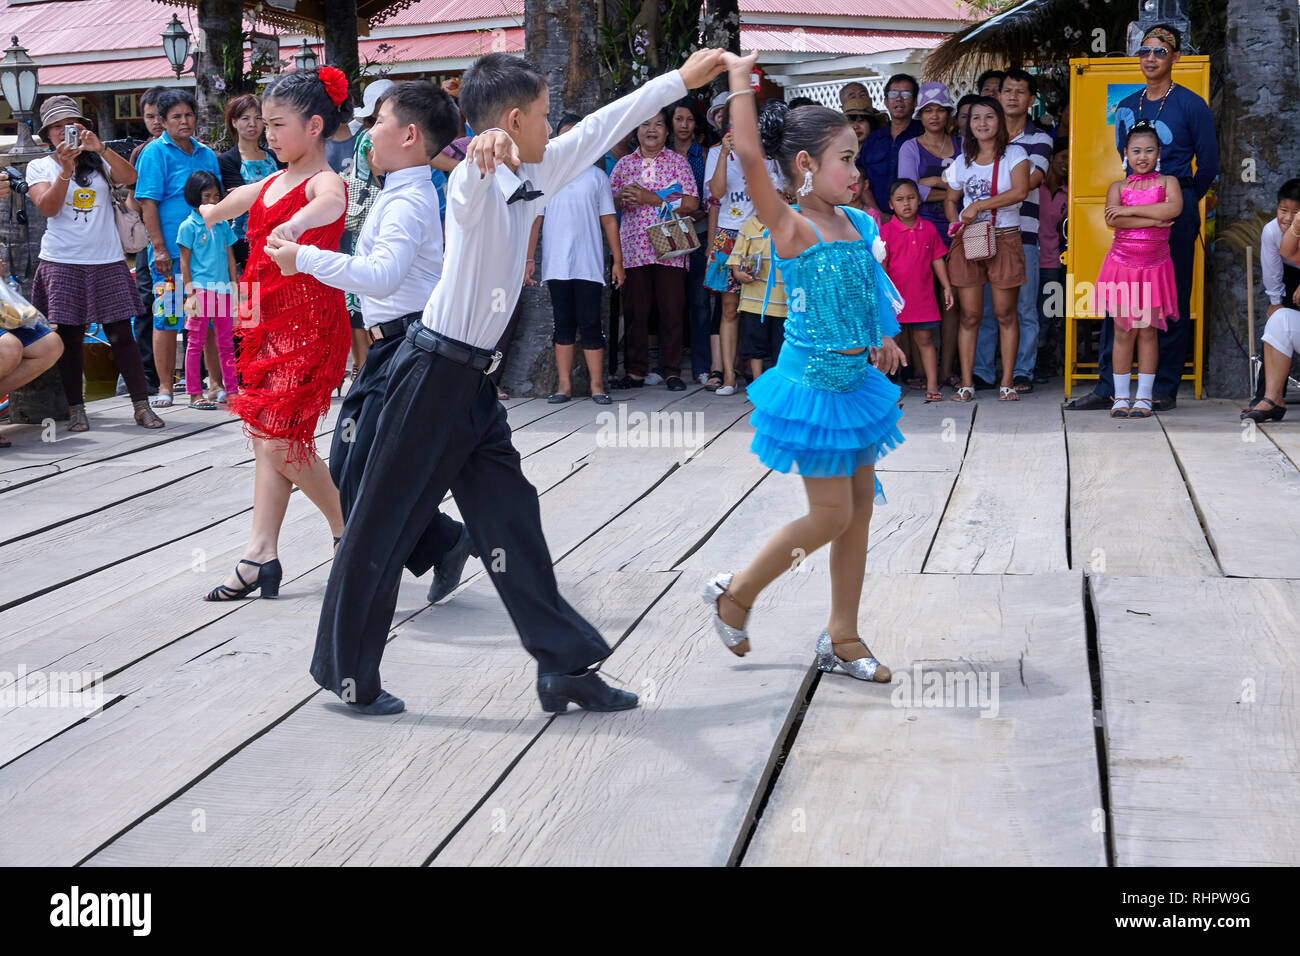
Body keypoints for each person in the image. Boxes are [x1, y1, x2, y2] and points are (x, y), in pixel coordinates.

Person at [311, 48, 731, 717]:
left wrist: (681, 80)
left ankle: (563, 667)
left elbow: (603, 123)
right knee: (381, 523)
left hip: (474, 385)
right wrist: (488, 142)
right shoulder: (468, 184)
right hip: (430, 377)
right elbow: (483, 168)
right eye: (539, 114)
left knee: (514, 522)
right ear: (512, 118)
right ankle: (345, 672)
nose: (552, 124)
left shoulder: (540, 165)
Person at [702, 56, 906, 683]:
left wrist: (883, 339)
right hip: (812, 386)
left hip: (857, 385)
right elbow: (749, 159)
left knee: (860, 510)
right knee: (832, 514)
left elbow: (869, 287)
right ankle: (736, 591)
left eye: (856, 155)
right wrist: (741, 82)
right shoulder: (791, 225)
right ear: (805, 165)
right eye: (844, 157)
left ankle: (842, 637)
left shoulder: (857, 221)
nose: (855, 168)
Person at [265, 80, 475, 606]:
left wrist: (304, 260)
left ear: (408, 135)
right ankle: (444, 541)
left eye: (376, 122)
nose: (366, 132)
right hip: (393, 346)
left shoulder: (408, 201)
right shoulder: (398, 190)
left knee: (359, 463)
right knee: (362, 464)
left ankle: (406, 561)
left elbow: (381, 276)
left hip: (405, 346)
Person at [196, 67, 353, 602]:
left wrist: (297, 225)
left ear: (314, 126)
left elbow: (330, 203)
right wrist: (211, 211)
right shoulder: (268, 182)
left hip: (311, 325)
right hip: (263, 327)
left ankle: (346, 528)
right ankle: (260, 552)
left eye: (278, 125)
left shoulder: (323, 182)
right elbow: (237, 199)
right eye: (265, 125)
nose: (268, 135)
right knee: (269, 440)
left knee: (279, 439)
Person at [1067, 23, 1218, 411]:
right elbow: (1127, 157)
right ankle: (1108, 388)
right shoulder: (1127, 105)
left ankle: (1163, 387)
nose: (1151, 58)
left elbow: (1209, 166)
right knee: (1119, 303)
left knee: (1170, 299)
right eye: (1145, 51)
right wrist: (1141, 209)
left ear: (1176, 58)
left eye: (1160, 51)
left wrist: (1182, 200)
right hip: (1133, 202)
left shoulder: (1191, 103)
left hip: (1175, 200)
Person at [25, 95, 164, 432]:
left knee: (121, 335)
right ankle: (77, 411)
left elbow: (131, 177)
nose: (63, 132)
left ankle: (141, 407)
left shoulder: (99, 161)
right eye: (56, 127)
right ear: (47, 135)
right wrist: (66, 170)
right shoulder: (40, 166)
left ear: (81, 127)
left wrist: (100, 148)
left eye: (69, 125)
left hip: (107, 258)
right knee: (70, 338)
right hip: (62, 260)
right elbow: (47, 208)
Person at [524, 113, 621, 405]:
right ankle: (563, 385)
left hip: (589, 265)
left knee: (591, 324)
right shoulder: (546, 178)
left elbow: (609, 222)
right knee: (563, 324)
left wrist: (618, 261)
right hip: (557, 266)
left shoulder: (597, 176)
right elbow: (535, 222)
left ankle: (596, 386)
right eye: (566, 136)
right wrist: (529, 260)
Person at [135, 88, 222, 407]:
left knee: (210, 317)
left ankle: (215, 383)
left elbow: (217, 202)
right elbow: (147, 203)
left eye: (188, 115)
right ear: (162, 121)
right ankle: (164, 388)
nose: (184, 122)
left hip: (205, 254)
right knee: (167, 318)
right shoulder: (155, 153)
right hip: (169, 253)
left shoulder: (206, 154)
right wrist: (157, 247)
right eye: (176, 117)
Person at [942, 96, 1030, 403]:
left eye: (989, 117)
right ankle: (966, 384)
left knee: (1006, 314)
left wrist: (979, 205)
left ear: (1000, 121)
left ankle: (1007, 382)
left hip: (1005, 236)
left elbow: (1020, 191)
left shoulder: (1015, 154)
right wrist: (955, 222)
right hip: (971, 238)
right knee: (970, 315)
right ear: (968, 124)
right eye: (975, 118)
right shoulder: (962, 160)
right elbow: (950, 199)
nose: (982, 123)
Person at [1092, 121, 1182, 419]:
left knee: (1147, 332)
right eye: (1136, 151)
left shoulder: (1169, 182)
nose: (1142, 156)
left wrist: (1130, 211)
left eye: (1149, 150)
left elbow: (1172, 210)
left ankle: (1143, 397)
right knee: (1122, 331)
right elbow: (1113, 220)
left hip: (1154, 267)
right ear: (1125, 154)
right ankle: (1120, 397)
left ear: (1159, 153)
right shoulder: (1117, 187)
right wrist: (1151, 220)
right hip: (1122, 266)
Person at [973, 68, 1053, 393]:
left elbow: (1030, 182)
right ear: (998, 95)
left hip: (1024, 233)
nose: (1012, 96)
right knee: (987, 308)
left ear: (1031, 100)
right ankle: (983, 372)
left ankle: (1022, 372)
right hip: (984, 234)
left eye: (1020, 92)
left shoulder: (1041, 138)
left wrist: (982, 201)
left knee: (1024, 309)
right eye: (1007, 90)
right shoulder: (984, 138)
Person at [608, 106, 698, 391]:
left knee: (672, 311)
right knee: (636, 311)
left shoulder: (677, 162)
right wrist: (619, 197)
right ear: (636, 130)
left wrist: (653, 199)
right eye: (645, 124)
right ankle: (635, 372)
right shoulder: (624, 165)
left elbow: (693, 203)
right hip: (634, 249)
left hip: (670, 247)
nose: (651, 130)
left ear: (667, 131)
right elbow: (607, 207)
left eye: (658, 124)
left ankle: (671, 371)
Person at [704, 98, 783, 395]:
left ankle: (767, 375)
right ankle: (727, 376)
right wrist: (725, 152)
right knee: (728, 308)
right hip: (729, 233)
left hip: (764, 234)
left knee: (765, 306)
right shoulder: (716, 153)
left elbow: (783, 192)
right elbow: (717, 192)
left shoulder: (769, 155)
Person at [897, 82, 961, 387]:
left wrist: (931, 184)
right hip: (919, 233)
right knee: (920, 301)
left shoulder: (963, 145)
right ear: (920, 115)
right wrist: (948, 187)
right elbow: (909, 194)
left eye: (940, 110)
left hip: (958, 232)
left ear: (949, 113)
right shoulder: (910, 147)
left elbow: (967, 189)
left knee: (951, 303)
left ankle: (946, 369)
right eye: (928, 110)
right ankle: (921, 372)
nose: (934, 116)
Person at [882, 179, 952, 402]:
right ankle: (885, 388)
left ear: (919, 200)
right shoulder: (886, 231)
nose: (906, 204)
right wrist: (882, 298)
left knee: (925, 340)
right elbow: (882, 268)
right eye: (900, 200)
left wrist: (947, 287)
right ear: (891, 205)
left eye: (911, 198)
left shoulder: (928, 228)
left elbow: (938, 259)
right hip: (895, 300)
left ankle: (932, 385)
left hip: (923, 297)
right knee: (892, 342)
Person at [177, 170, 238, 411]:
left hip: (223, 289)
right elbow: (184, 261)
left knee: (226, 342)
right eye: (206, 196)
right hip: (200, 291)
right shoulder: (188, 226)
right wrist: (190, 294)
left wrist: (234, 286)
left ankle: (232, 390)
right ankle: (194, 394)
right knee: (195, 342)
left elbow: (231, 257)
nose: (212, 201)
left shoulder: (223, 224)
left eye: (215, 196)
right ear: (195, 197)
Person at [668, 96, 714, 384]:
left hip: (699, 231)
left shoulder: (705, 155)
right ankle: (667, 366)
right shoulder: (661, 153)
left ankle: (701, 366)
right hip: (667, 234)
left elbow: (710, 198)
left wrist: (694, 214)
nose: (684, 125)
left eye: (689, 119)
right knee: (671, 302)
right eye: (678, 119)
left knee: (699, 302)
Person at [125, 86, 168, 394]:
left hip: (179, 238)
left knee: (194, 304)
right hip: (147, 239)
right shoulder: (142, 152)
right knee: (145, 303)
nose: (155, 122)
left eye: (159, 115)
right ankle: (146, 375)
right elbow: (133, 199)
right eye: (149, 116)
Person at [218, 93, 281, 272]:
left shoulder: (275, 155)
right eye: (245, 118)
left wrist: (248, 193)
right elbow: (239, 202)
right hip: (245, 238)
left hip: (277, 237)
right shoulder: (228, 160)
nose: (252, 124)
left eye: (258, 118)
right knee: (250, 293)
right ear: (234, 122)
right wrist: (276, 193)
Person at [727, 210, 786, 383]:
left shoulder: (788, 225)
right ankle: (757, 381)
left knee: (781, 345)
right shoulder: (748, 226)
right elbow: (737, 257)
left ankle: (779, 383)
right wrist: (738, 273)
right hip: (754, 301)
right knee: (754, 342)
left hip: (783, 301)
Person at [858, 74, 921, 216]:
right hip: (878, 219)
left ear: (915, 101)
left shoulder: (923, 135)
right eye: (893, 94)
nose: (899, 98)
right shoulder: (873, 139)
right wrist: (879, 215)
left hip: (917, 220)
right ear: (886, 101)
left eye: (906, 94)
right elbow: (861, 180)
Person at [1037, 140, 1068, 377]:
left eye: (1071, 157)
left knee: (1050, 312)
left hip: (1053, 261)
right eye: (1062, 156)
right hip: (1029, 256)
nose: (1066, 162)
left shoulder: (1071, 192)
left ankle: (1045, 361)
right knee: (1028, 313)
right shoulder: (1034, 187)